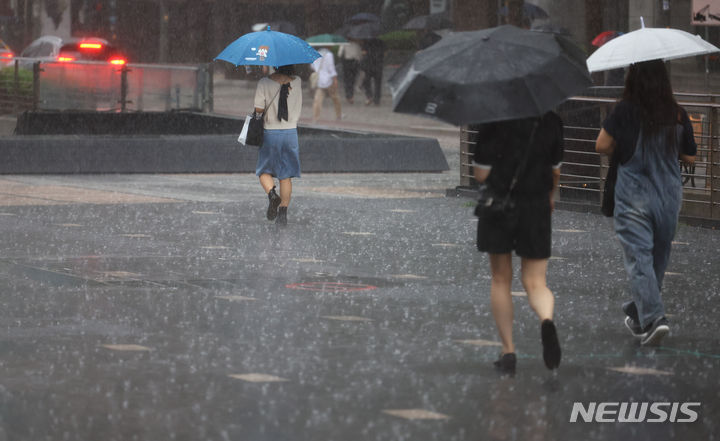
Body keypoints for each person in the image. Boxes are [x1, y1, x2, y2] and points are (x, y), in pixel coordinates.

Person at [595, 59, 697, 346]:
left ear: (632, 79)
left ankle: (654, 318)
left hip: (634, 196)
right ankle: (639, 314)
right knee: (657, 258)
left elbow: (601, 145)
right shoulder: (677, 113)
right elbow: (690, 156)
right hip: (668, 196)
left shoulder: (625, 110)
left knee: (639, 257)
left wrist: (625, 143)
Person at [471, 111, 564, 374]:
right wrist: (548, 194)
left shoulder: (494, 118)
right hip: (536, 206)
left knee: (501, 278)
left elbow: (480, 174)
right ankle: (546, 319)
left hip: (499, 206)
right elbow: (556, 171)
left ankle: (508, 351)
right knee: (536, 282)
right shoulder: (551, 119)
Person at [253, 64, 303, 226]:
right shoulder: (298, 81)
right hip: (290, 133)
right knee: (286, 174)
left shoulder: (264, 82)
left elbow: (258, 109)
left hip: (270, 133)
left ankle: (272, 195)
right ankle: (283, 214)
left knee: (264, 170)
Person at [311, 46, 342, 122]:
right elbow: (331, 68)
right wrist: (335, 79)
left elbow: (312, 67)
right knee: (335, 98)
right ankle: (338, 115)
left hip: (320, 80)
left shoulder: (314, 54)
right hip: (329, 80)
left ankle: (316, 117)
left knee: (317, 100)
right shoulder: (329, 55)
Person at [360, 38, 385, 106]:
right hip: (378, 65)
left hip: (369, 65)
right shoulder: (381, 41)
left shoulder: (366, 41)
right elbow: (385, 53)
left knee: (366, 81)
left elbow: (363, 52)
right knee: (378, 84)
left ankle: (369, 96)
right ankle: (377, 100)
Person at [338, 39, 362, 104]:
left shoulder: (343, 44)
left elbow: (339, 54)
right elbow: (359, 55)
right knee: (353, 79)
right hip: (354, 63)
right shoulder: (357, 45)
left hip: (346, 63)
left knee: (347, 79)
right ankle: (351, 95)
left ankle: (348, 95)